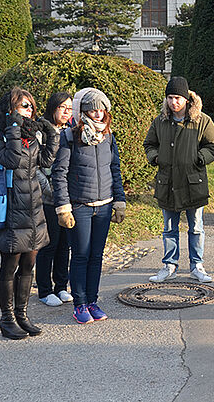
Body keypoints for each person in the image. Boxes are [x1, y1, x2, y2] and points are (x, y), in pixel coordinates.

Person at [0, 87, 59, 339]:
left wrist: (51, 133)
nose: (29, 111)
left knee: (29, 263)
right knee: (10, 264)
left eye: (30, 106)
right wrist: (13, 129)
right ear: (10, 109)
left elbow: (45, 162)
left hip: (33, 207)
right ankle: (7, 319)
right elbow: (12, 160)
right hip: (11, 208)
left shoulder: (29, 135)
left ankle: (22, 315)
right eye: (23, 106)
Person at [53, 88, 126, 324]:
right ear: (82, 111)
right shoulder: (69, 137)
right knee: (81, 256)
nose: (97, 114)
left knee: (96, 256)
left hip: (104, 206)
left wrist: (119, 201)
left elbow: (114, 169)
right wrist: (63, 207)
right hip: (80, 206)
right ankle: (79, 303)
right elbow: (59, 173)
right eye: (92, 109)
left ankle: (93, 301)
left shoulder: (109, 136)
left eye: (101, 109)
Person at [145, 77, 214, 283]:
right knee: (169, 228)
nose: (174, 102)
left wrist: (200, 158)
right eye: (170, 98)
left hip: (193, 182)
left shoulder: (202, 120)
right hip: (167, 182)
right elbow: (149, 143)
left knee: (196, 227)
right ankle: (169, 265)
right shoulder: (160, 121)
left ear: (187, 99)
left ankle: (197, 265)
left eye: (178, 98)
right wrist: (155, 157)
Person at [35, 92, 74, 307]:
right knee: (49, 244)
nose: (67, 112)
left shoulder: (70, 131)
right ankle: (44, 289)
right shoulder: (41, 131)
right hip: (48, 197)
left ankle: (61, 286)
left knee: (65, 244)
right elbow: (35, 166)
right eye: (63, 107)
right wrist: (49, 189)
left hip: (67, 197)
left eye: (70, 108)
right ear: (53, 108)